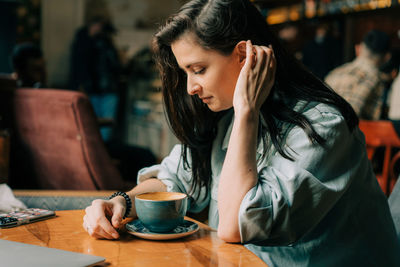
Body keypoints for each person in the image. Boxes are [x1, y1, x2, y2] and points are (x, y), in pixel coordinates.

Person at [83, 0, 400, 266]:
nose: (191, 87)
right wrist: (122, 201)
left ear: (244, 57)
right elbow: (174, 180)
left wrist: (247, 110)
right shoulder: (224, 118)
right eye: (185, 73)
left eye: (199, 70)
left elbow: (236, 226)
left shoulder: (321, 126)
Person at [69, 17, 121, 141]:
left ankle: (102, 153)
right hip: (95, 90)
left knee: (103, 127)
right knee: (93, 126)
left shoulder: (104, 42)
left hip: (104, 90)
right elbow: (78, 67)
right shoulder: (83, 43)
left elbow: (114, 65)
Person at [325, 29, 390, 120]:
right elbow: (353, 114)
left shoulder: (335, 73)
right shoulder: (373, 77)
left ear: (359, 48)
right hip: (353, 132)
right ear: (387, 57)